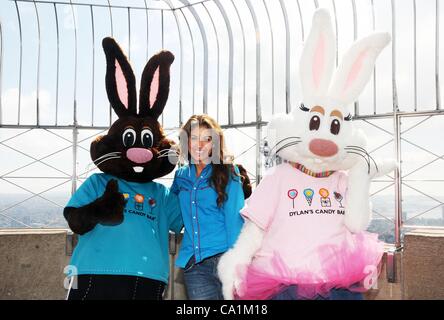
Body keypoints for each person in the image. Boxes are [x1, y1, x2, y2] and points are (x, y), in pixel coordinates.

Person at [171, 114, 249, 300]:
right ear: (186, 141)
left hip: (225, 258)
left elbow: (234, 219)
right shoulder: (180, 176)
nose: (200, 145)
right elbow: (174, 217)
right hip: (195, 266)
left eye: (206, 139)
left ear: (214, 143)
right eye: (194, 138)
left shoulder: (229, 172)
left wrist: (236, 263)